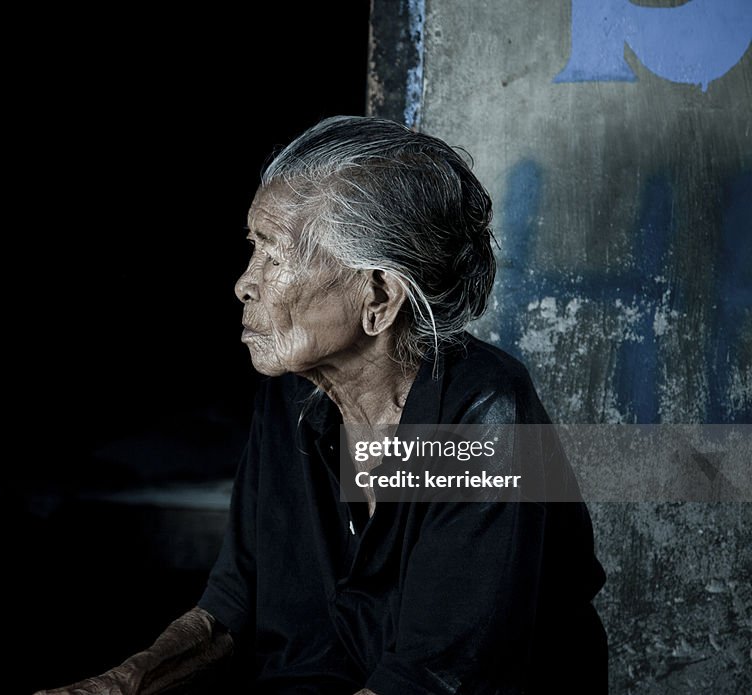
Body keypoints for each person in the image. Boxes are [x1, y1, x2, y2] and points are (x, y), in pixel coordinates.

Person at [37, 116, 607, 694]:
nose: (244, 283)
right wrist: (120, 685)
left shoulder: (483, 414)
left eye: (276, 258)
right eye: (252, 249)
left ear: (379, 297)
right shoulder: (294, 389)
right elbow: (235, 602)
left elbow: (429, 679)